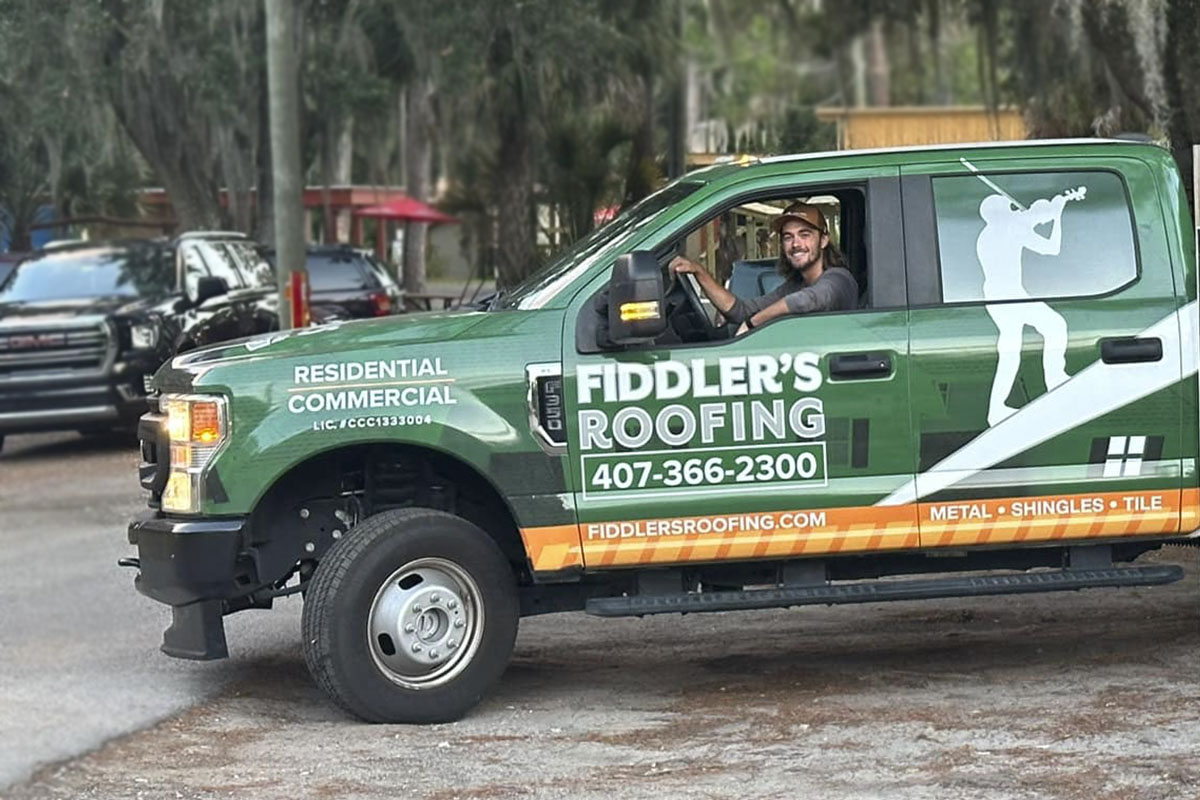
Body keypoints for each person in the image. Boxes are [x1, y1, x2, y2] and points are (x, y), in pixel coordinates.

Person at [669, 201, 858, 335]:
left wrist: (752, 324)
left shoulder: (838, 279)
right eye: (788, 237)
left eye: (805, 234)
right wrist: (699, 272)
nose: (796, 244)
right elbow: (740, 311)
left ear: (824, 240)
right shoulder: (794, 285)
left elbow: (804, 302)